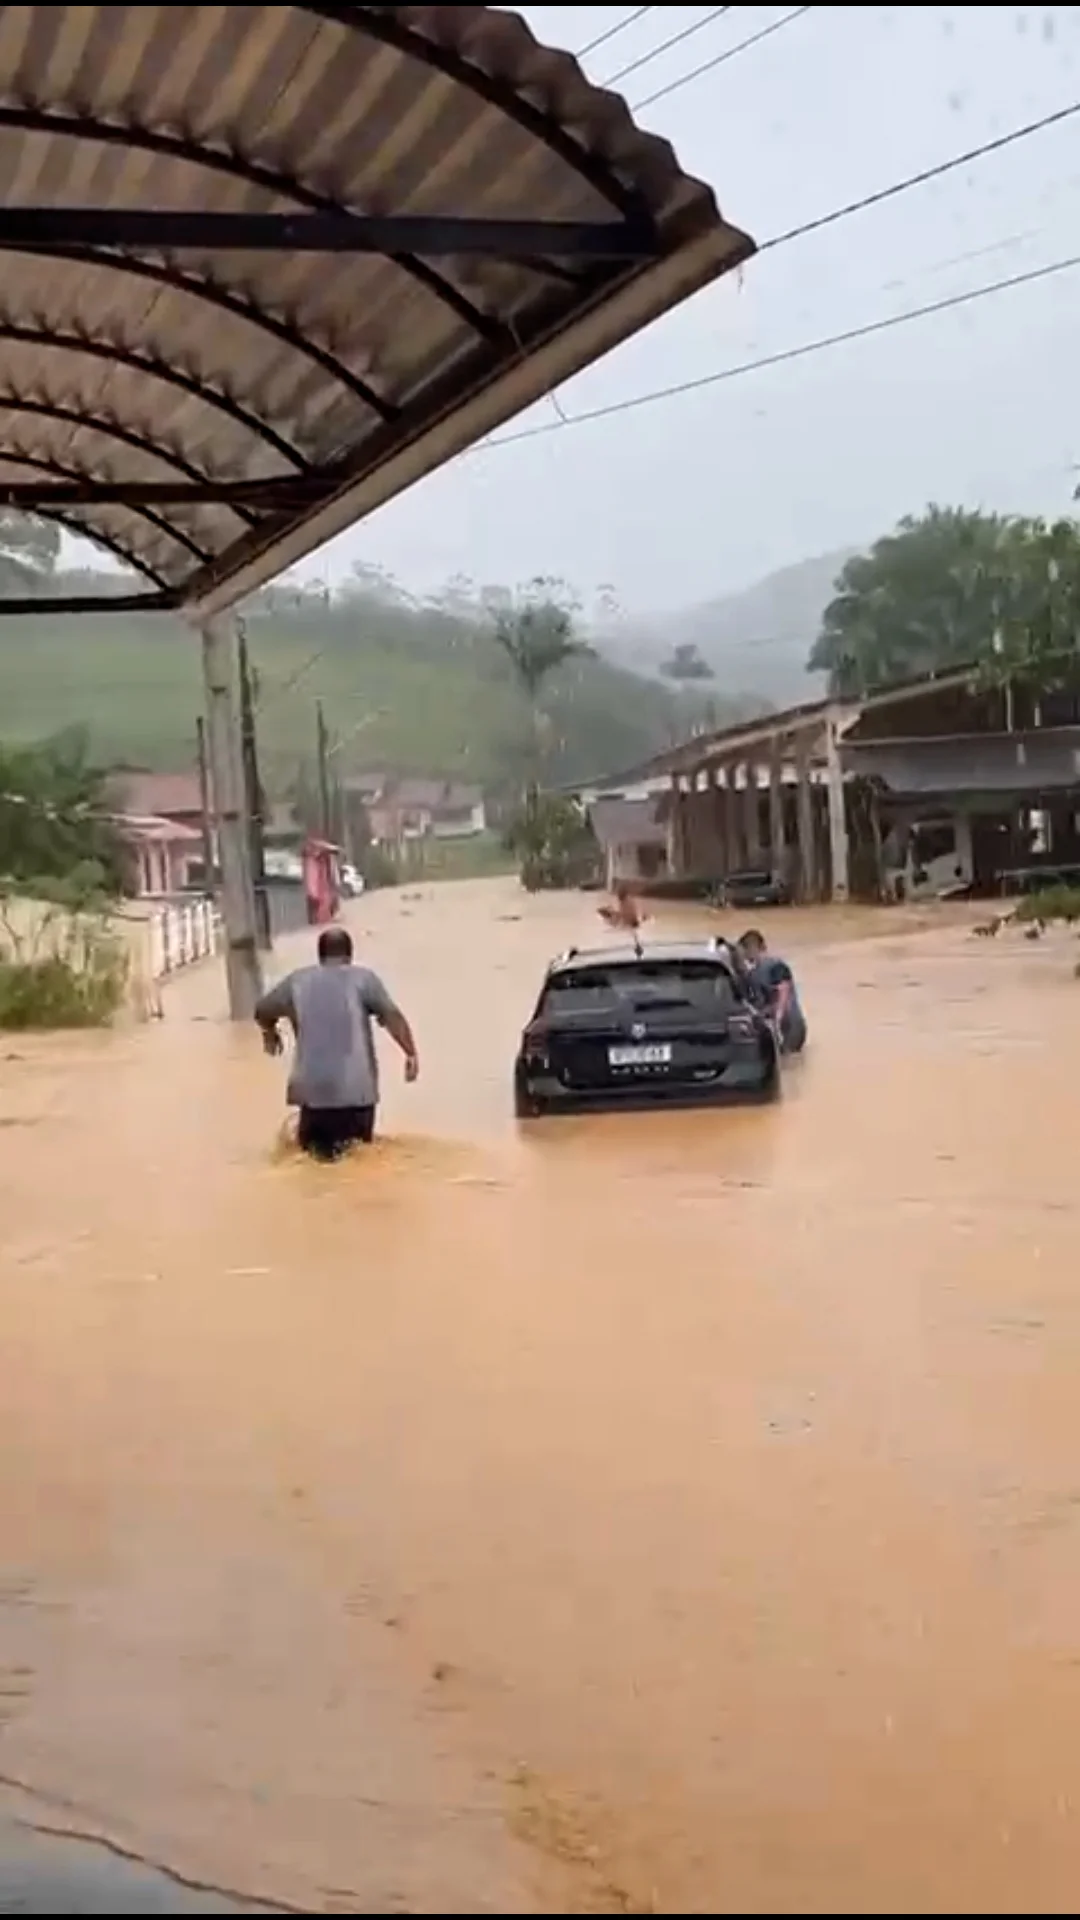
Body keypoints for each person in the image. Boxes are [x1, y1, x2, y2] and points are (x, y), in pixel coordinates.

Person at [255, 926, 419, 1160]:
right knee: (358, 1162)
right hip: (356, 1094)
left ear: (320, 955)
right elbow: (392, 1016)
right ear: (349, 955)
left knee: (312, 1165)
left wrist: (269, 1033)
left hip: (312, 1094)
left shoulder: (298, 981)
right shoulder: (364, 979)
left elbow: (262, 1010)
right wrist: (410, 1054)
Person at [737, 928, 807, 1055]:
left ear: (752, 949)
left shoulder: (775, 965)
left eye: (745, 952)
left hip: (788, 1025)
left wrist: (778, 1018)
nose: (745, 957)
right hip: (781, 1025)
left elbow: (783, 990)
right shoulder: (754, 972)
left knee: (788, 1059)